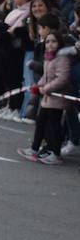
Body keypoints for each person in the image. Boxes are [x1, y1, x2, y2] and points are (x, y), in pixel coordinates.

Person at [17, 30, 74, 164]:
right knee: (40, 123)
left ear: (59, 43)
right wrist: (38, 86)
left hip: (57, 99)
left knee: (54, 126)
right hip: (47, 99)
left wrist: (46, 88)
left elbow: (62, 78)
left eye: (53, 41)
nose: (50, 44)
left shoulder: (62, 59)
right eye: (47, 41)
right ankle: (34, 148)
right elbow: (45, 77)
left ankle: (55, 153)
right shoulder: (49, 58)